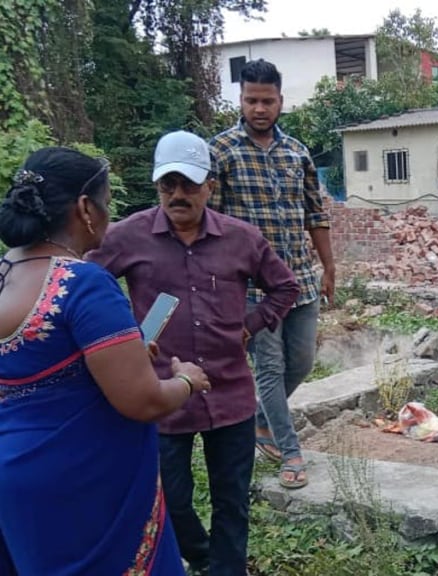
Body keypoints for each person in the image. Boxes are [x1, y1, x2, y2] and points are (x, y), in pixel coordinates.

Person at [87, 131, 301, 576]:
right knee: (172, 499)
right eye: (169, 185)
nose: (178, 195)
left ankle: (227, 569)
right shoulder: (129, 237)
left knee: (232, 499)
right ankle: (204, 559)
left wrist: (250, 325)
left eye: (188, 185)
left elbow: (285, 287)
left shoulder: (242, 239)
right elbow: (82, 288)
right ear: (157, 186)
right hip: (163, 394)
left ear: (209, 186)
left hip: (230, 393)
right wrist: (120, 336)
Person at [0, 147, 211, 575]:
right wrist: (187, 381)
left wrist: (124, 355)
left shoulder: (4, 273)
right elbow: (143, 401)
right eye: (107, 202)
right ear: (85, 208)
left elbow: (41, 369)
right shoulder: (84, 283)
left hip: (16, 479)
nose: (109, 214)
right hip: (84, 484)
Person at [209, 58, 336, 490]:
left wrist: (329, 266)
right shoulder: (220, 152)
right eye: (251, 100)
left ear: (281, 101)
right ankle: (291, 452)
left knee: (302, 361)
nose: (259, 108)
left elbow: (316, 214)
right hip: (251, 287)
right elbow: (213, 223)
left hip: (299, 278)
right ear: (241, 101)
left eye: (267, 100)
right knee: (269, 366)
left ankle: (261, 419)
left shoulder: (297, 152)